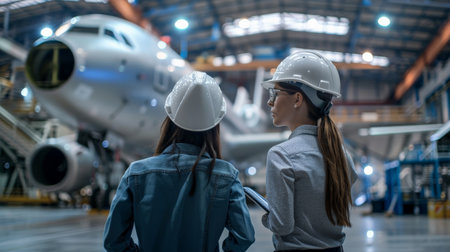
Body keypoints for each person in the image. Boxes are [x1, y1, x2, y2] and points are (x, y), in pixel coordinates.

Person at [103, 71, 255, 252]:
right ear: (215, 125)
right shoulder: (226, 176)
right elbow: (244, 236)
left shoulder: (136, 173)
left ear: (170, 118)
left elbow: (113, 240)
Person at [260, 50, 358, 252]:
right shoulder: (341, 154)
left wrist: (267, 217)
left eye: (275, 94)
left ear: (297, 99)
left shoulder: (281, 155)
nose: (270, 102)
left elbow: (281, 225)